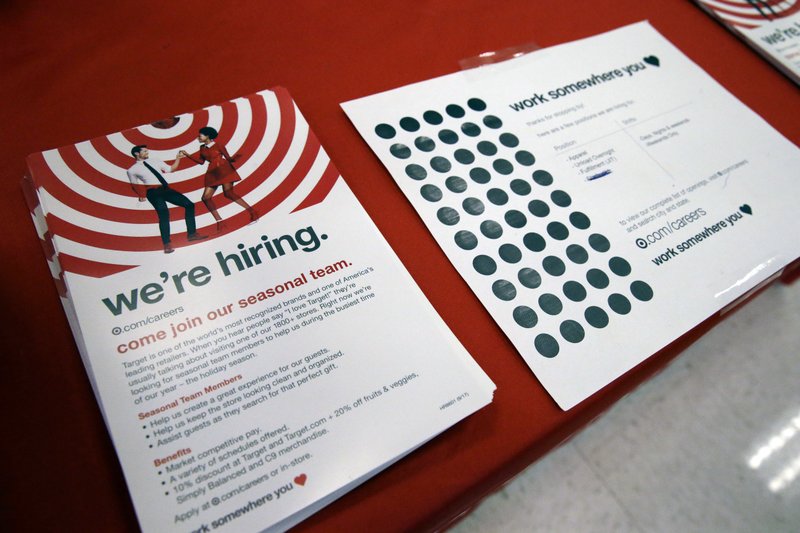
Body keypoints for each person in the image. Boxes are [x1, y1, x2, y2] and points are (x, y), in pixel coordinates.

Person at [127, 145, 207, 254]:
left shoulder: (155, 160)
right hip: (152, 193)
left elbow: (171, 169)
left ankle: (192, 234)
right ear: (137, 153)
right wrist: (141, 194)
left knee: (189, 205)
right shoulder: (132, 170)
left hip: (165, 189)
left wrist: (178, 158)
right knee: (164, 215)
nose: (147, 153)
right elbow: (134, 185)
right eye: (145, 151)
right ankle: (167, 244)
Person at [180, 126, 258, 232]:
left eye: (200, 135)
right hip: (212, 173)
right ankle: (220, 222)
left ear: (207, 136)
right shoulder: (202, 148)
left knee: (228, 193)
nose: (198, 137)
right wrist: (187, 155)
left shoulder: (218, 145)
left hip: (224, 170)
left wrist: (237, 157)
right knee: (205, 198)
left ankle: (252, 212)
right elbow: (201, 162)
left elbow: (229, 158)